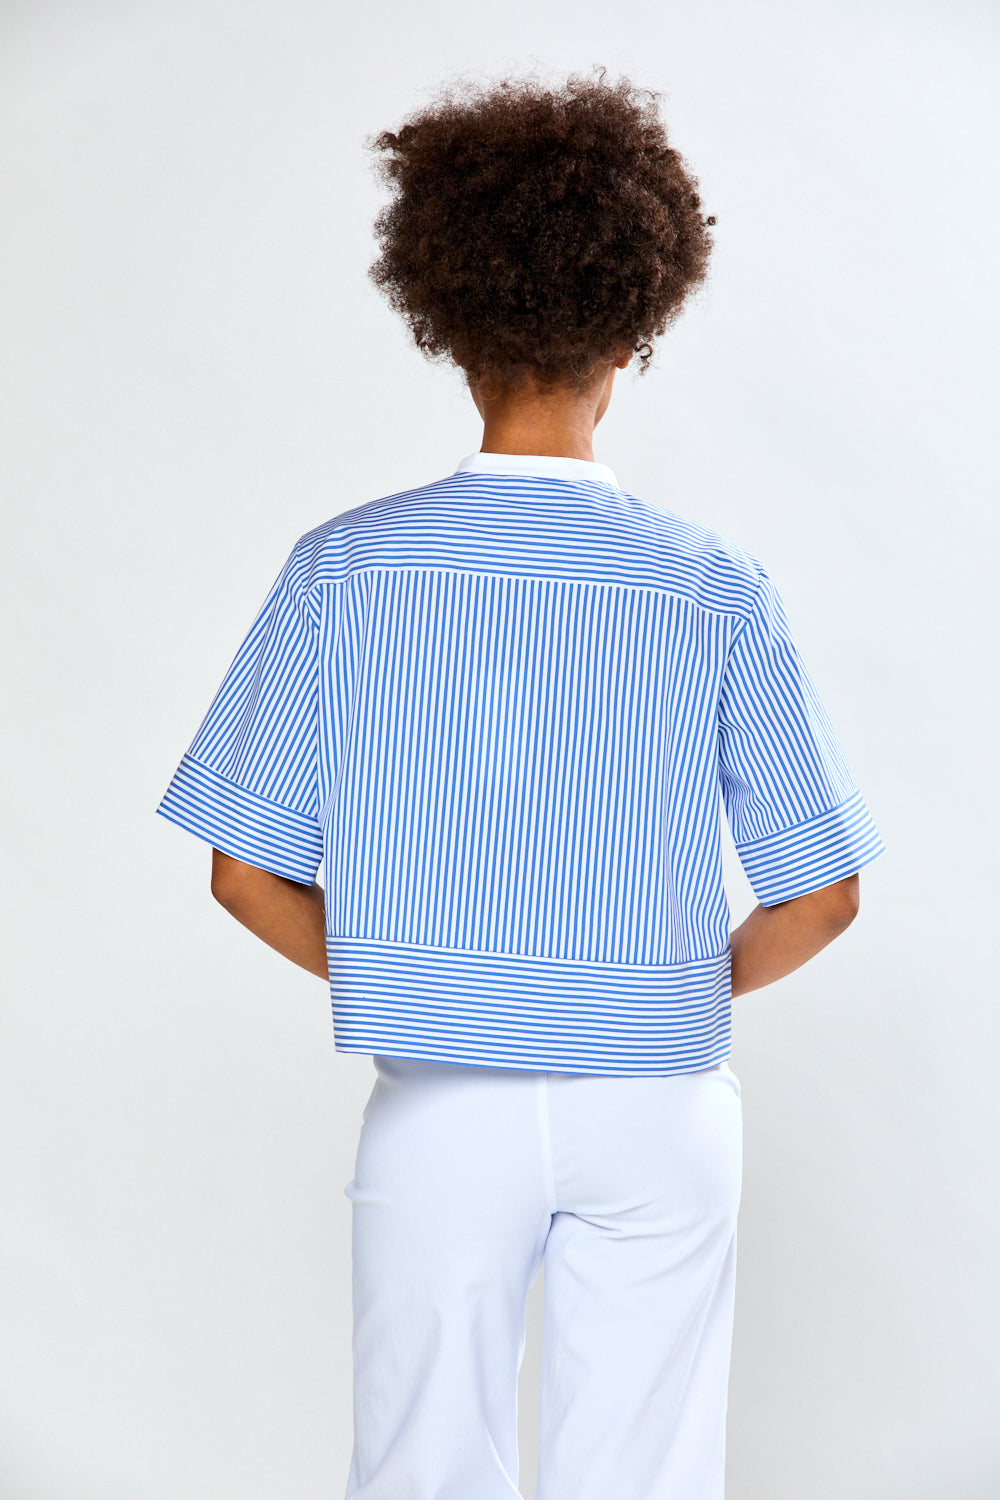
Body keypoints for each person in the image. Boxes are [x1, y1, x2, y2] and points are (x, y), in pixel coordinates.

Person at [156, 68, 885, 1500]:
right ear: (635, 331)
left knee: (421, 1468)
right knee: (649, 1473)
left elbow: (242, 873)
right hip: (662, 1102)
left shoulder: (345, 569)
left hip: (438, 1104)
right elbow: (825, 894)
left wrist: (419, 975)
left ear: (454, 327)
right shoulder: (711, 585)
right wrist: (657, 983)